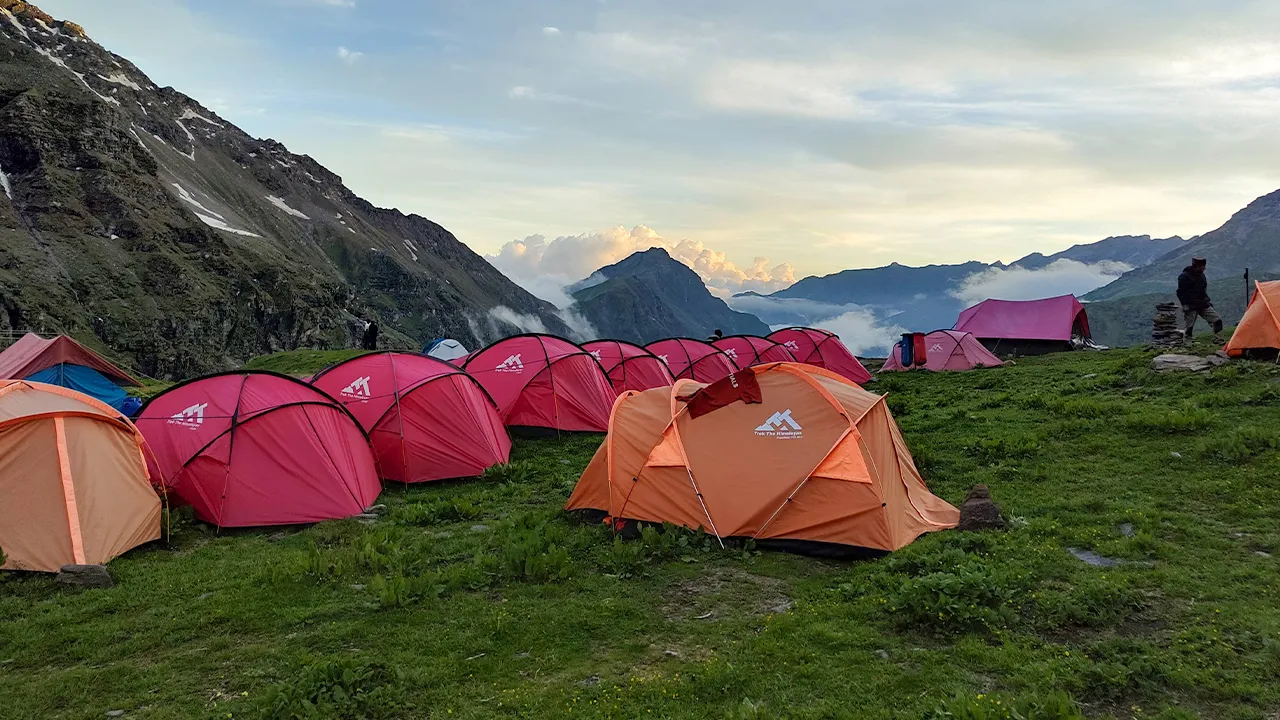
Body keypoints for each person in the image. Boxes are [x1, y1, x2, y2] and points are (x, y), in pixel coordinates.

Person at [1176, 257, 1223, 342]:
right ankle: (1187, 343)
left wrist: (1207, 301)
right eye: (1203, 266)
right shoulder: (1184, 277)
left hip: (1203, 304)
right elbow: (1181, 293)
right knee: (1189, 327)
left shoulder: (1202, 276)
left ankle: (1217, 338)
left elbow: (1203, 290)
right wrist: (1185, 305)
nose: (1204, 268)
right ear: (1197, 266)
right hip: (1191, 305)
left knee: (1217, 320)